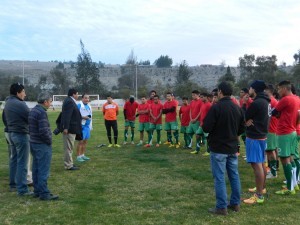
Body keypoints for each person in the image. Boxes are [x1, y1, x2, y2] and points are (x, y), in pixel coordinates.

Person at [203, 81, 245, 216]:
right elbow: (242, 128)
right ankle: (235, 203)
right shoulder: (237, 107)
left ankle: (222, 207)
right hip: (232, 147)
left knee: (220, 177)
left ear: (220, 92)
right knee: (234, 176)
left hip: (219, 148)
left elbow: (206, 127)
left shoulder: (216, 107)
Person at [243, 80, 270, 204]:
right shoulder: (265, 101)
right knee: (262, 163)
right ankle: (262, 188)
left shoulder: (257, 103)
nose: (249, 90)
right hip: (262, 135)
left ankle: (258, 195)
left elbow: (245, 116)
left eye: (250, 88)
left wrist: (244, 105)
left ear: (254, 89)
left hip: (254, 136)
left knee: (256, 164)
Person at [28, 92, 59, 200]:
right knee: (43, 169)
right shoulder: (41, 112)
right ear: (45, 102)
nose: (50, 103)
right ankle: (44, 193)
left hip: (33, 143)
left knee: (36, 168)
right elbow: (43, 131)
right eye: (50, 101)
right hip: (41, 145)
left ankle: (37, 190)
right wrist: (49, 140)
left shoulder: (33, 110)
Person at [4, 83, 32, 195]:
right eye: (23, 92)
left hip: (11, 134)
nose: (25, 94)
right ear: (18, 93)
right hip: (21, 134)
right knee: (22, 162)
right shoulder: (20, 104)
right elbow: (30, 118)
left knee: (14, 160)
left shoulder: (8, 102)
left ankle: (13, 184)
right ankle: (22, 189)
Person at [272, 80, 300, 195]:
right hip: (293, 131)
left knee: (284, 159)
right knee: (291, 158)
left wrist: (280, 115)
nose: (278, 91)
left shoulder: (285, 99)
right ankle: (294, 184)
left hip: (284, 133)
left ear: (284, 88)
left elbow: (273, 112)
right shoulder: (297, 98)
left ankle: (289, 188)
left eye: (279, 89)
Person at [60, 88, 82, 170]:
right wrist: (66, 128)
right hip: (70, 129)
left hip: (72, 128)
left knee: (70, 147)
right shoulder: (69, 101)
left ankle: (70, 163)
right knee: (68, 147)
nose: (78, 95)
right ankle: (68, 165)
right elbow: (67, 116)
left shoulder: (70, 100)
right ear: (73, 94)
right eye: (77, 94)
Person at [264, 84, 279, 179]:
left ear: (269, 91)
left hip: (271, 129)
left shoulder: (272, 101)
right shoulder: (271, 101)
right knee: (270, 150)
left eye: (265, 90)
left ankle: (273, 172)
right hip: (271, 129)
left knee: (270, 150)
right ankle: (273, 170)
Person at [76, 94, 92, 162]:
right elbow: (76, 115)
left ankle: (82, 155)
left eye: (88, 98)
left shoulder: (89, 106)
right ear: (82, 98)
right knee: (81, 141)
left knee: (85, 141)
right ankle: (78, 156)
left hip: (87, 126)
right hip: (81, 126)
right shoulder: (79, 105)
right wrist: (83, 117)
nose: (87, 99)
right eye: (85, 98)